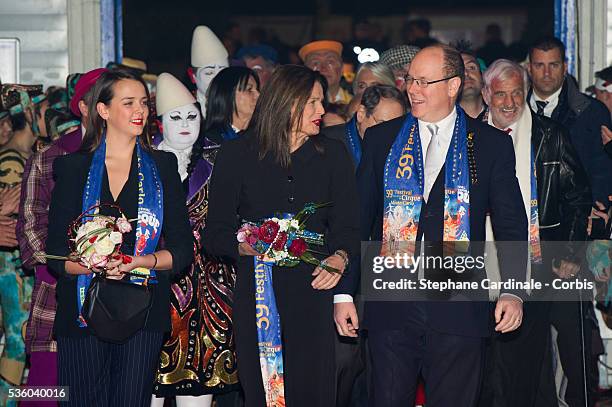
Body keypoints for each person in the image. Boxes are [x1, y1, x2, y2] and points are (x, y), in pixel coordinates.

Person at [347, 44, 527, 406]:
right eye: (410, 80)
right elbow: (357, 220)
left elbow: (511, 223)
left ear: (453, 85)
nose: (412, 89)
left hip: (459, 310)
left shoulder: (490, 145)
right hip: (391, 306)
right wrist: (344, 292)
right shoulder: (383, 140)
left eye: (424, 82)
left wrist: (512, 290)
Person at [203, 65, 359, 406]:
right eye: (314, 102)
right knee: (261, 389)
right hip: (258, 292)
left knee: (314, 390)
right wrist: (246, 246)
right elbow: (214, 234)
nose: (322, 111)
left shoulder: (333, 155)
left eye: (323, 102)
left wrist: (340, 257)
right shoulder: (237, 154)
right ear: (287, 103)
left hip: (314, 291)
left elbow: (349, 226)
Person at [45, 69, 193, 406]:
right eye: (128, 103)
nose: (140, 110)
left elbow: (182, 250)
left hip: (143, 309)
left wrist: (137, 262)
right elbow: (54, 254)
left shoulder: (162, 165)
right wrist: (92, 264)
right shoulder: (73, 167)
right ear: (103, 110)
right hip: (82, 309)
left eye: (143, 102)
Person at [478, 59, 593, 407]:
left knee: (527, 353)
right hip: (481, 262)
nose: (510, 102)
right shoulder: (469, 138)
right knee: (485, 355)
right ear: (486, 95)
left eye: (517, 93)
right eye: (501, 94)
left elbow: (578, 197)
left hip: (539, 261)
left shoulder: (550, 134)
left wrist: (571, 253)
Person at [151, 72, 246, 406]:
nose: (185, 124)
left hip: (212, 290)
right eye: (175, 117)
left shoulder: (220, 159)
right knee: (147, 385)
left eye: (192, 115)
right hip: (155, 287)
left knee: (202, 387)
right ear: (159, 122)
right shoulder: (141, 161)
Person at [16, 68, 106, 407]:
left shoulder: (135, 156)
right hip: (58, 292)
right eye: (103, 98)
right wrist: (65, 264)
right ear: (84, 107)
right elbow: (29, 225)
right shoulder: (51, 156)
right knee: (44, 391)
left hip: (121, 293)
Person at [527, 36, 612, 204]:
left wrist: (594, 207)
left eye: (554, 65)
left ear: (565, 67)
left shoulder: (591, 112)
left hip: (577, 217)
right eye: (539, 65)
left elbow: (601, 168)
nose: (546, 73)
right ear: (529, 68)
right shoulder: (514, 111)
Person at [324, 85, 407, 169]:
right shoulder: (327, 144)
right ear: (361, 114)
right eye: (383, 125)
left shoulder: (403, 153)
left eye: (395, 128)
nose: (389, 135)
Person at [201, 66, 260, 143]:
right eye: (249, 90)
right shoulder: (209, 142)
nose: (258, 95)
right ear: (227, 95)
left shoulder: (264, 136)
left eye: (258, 89)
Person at [189, 26, 230, 118]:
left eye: (223, 71)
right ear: (193, 77)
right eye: (209, 73)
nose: (218, 78)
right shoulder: (187, 108)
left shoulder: (239, 106)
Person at [300, 40, 352, 104]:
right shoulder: (298, 104)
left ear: (342, 69)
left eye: (330, 62)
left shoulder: (353, 104)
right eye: (315, 63)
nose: (323, 68)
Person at [455, 42, 486, 119]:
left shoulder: (499, 117)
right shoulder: (444, 123)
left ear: (482, 76)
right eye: (460, 70)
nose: (465, 73)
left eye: (471, 67)